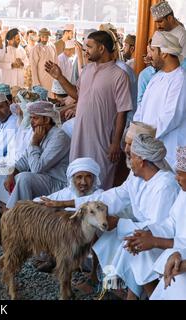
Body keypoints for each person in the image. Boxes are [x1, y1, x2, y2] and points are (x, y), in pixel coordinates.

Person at [43, 131, 179, 299]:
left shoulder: (165, 185)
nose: (128, 159)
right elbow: (109, 197)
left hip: (162, 241)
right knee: (108, 238)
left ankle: (138, 294)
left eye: (132, 156)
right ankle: (117, 287)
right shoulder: (136, 178)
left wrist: (120, 223)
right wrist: (65, 203)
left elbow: (158, 228)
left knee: (129, 246)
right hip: (139, 230)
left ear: (142, 161)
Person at [45, 31, 133, 190]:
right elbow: (77, 94)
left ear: (101, 49)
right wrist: (59, 77)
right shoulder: (86, 70)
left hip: (103, 139)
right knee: (76, 179)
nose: (86, 50)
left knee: (99, 182)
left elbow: (123, 111)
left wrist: (115, 143)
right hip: (80, 136)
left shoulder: (119, 75)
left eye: (89, 47)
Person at [123, 145, 186, 300]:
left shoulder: (167, 185)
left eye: (180, 174)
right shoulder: (184, 194)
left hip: (181, 253)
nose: (176, 178)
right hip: (179, 250)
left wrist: (156, 241)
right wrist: (147, 234)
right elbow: (171, 222)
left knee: (177, 276)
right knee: (139, 245)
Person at [0, 101, 70, 210]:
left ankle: (16, 215)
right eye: (31, 118)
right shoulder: (40, 135)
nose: (31, 122)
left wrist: (35, 143)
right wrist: (10, 174)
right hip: (44, 180)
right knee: (4, 169)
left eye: (35, 118)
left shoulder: (59, 137)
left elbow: (37, 168)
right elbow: (23, 162)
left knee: (24, 178)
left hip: (57, 183)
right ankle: (4, 211)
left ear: (46, 119)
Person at [134, 31, 186, 169]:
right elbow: (142, 108)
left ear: (164, 52)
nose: (149, 56)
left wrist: (142, 136)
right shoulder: (157, 77)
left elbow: (171, 116)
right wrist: (134, 130)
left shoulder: (180, 79)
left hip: (167, 150)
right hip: (147, 147)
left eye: (152, 50)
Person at [30, 28, 57, 96]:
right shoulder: (36, 48)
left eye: (47, 37)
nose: (45, 39)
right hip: (41, 80)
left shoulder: (52, 46)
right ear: (40, 36)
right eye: (43, 37)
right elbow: (33, 67)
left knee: (51, 100)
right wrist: (36, 83)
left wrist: (56, 78)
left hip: (52, 79)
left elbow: (56, 62)